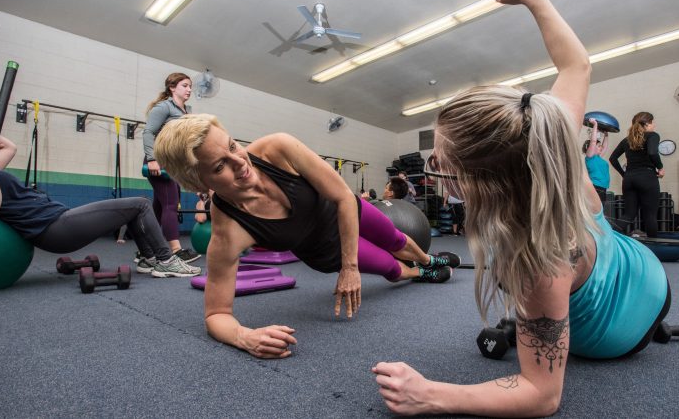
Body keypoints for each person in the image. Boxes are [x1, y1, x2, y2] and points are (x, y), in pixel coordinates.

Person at [371, 0, 669, 416]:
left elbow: (542, 395)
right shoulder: (545, 133)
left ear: (484, 184)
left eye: (439, 164)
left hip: (622, 333)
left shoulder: (537, 261)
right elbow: (576, 65)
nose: (435, 171)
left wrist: (431, 394)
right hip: (648, 271)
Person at [153, 114, 460, 358]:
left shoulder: (278, 149)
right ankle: (419, 272)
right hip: (325, 251)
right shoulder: (228, 230)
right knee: (391, 270)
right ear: (197, 182)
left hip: (346, 209)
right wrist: (244, 337)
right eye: (220, 166)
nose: (240, 163)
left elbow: (341, 195)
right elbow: (216, 313)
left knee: (394, 239)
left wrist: (350, 267)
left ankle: (428, 261)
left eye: (233, 146)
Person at [0, 123, 200, 278]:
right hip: (52, 229)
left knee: (131, 209)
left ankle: (149, 259)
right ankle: (166, 260)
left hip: (57, 219)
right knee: (140, 204)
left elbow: (9, 147)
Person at [142, 72, 200, 263]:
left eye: (190, 86)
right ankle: (175, 250)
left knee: (160, 206)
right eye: (185, 85)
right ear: (172, 88)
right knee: (170, 203)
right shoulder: (164, 107)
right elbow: (149, 132)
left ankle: (147, 250)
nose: (189, 89)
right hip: (158, 161)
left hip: (173, 164)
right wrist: (152, 159)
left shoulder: (187, 112)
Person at [608, 111, 664, 237]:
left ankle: (607, 238)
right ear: (647, 124)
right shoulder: (652, 136)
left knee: (629, 214)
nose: (654, 125)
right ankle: (653, 251)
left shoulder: (626, 140)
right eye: (652, 122)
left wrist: (624, 174)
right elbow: (652, 152)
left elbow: (612, 158)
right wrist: (660, 168)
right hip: (647, 177)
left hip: (629, 179)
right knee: (650, 215)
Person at [583, 117, 610, 201]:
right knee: (595, 211)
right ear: (592, 148)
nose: (601, 147)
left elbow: (605, 146)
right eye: (599, 146)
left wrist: (606, 135)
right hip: (595, 187)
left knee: (600, 211)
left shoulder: (599, 157)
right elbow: (593, 141)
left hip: (603, 188)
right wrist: (595, 125)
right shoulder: (590, 157)